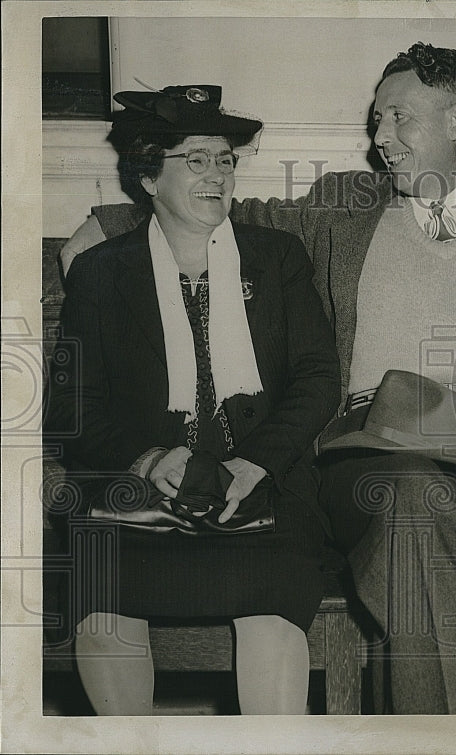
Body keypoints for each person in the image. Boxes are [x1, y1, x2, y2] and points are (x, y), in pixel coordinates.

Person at [61, 44, 456, 714]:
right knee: (410, 493)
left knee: (420, 525)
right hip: (366, 454)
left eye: (398, 118)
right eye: (377, 120)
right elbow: (226, 211)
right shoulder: (342, 204)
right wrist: (110, 220)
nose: (379, 138)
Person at [45, 85, 340, 715]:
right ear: (149, 175)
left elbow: (318, 377)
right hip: (140, 490)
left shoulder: (279, 257)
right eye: (196, 160)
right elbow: (73, 409)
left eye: (225, 160)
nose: (217, 176)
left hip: (262, 483)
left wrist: (258, 460)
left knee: (272, 608)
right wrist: (150, 459)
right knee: (99, 603)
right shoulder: (101, 273)